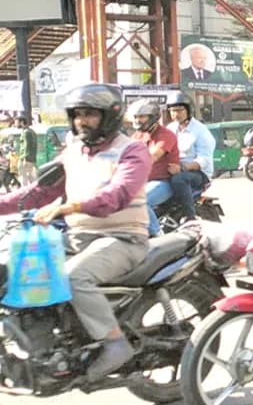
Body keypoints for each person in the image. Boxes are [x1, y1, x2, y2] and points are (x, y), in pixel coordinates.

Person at [0, 84, 150, 380]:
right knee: (15, 265)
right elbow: (38, 191)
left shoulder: (132, 150)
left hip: (123, 238)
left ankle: (115, 343)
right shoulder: (73, 152)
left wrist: (68, 208)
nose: (82, 120)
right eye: (78, 115)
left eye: (90, 114)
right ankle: (48, 342)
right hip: (77, 237)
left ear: (109, 116)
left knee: (74, 276)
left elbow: (117, 196)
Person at [129, 99, 180, 236]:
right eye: (136, 117)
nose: (138, 120)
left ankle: (158, 235)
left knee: (139, 200)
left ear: (152, 117)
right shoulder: (138, 135)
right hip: (142, 182)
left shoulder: (165, 135)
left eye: (142, 116)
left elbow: (153, 156)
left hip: (163, 181)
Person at [164, 92, 215, 222]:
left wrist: (181, 168)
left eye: (179, 110)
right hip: (174, 168)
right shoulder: (170, 128)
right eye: (172, 111)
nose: (176, 114)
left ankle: (190, 218)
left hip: (198, 173)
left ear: (188, 110)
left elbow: (204, 159)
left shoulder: (200, 130)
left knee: (178, 180)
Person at [11, 116, 37, 186]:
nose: (15, 124)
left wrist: (24, 159)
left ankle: (24, 193)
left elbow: (26, 146)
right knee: (32, 178)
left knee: (23, 178)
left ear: (22, 122)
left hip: (25, 159)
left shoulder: (26, 132)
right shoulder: (31, 131)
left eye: (16, 122)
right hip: (32, 159)